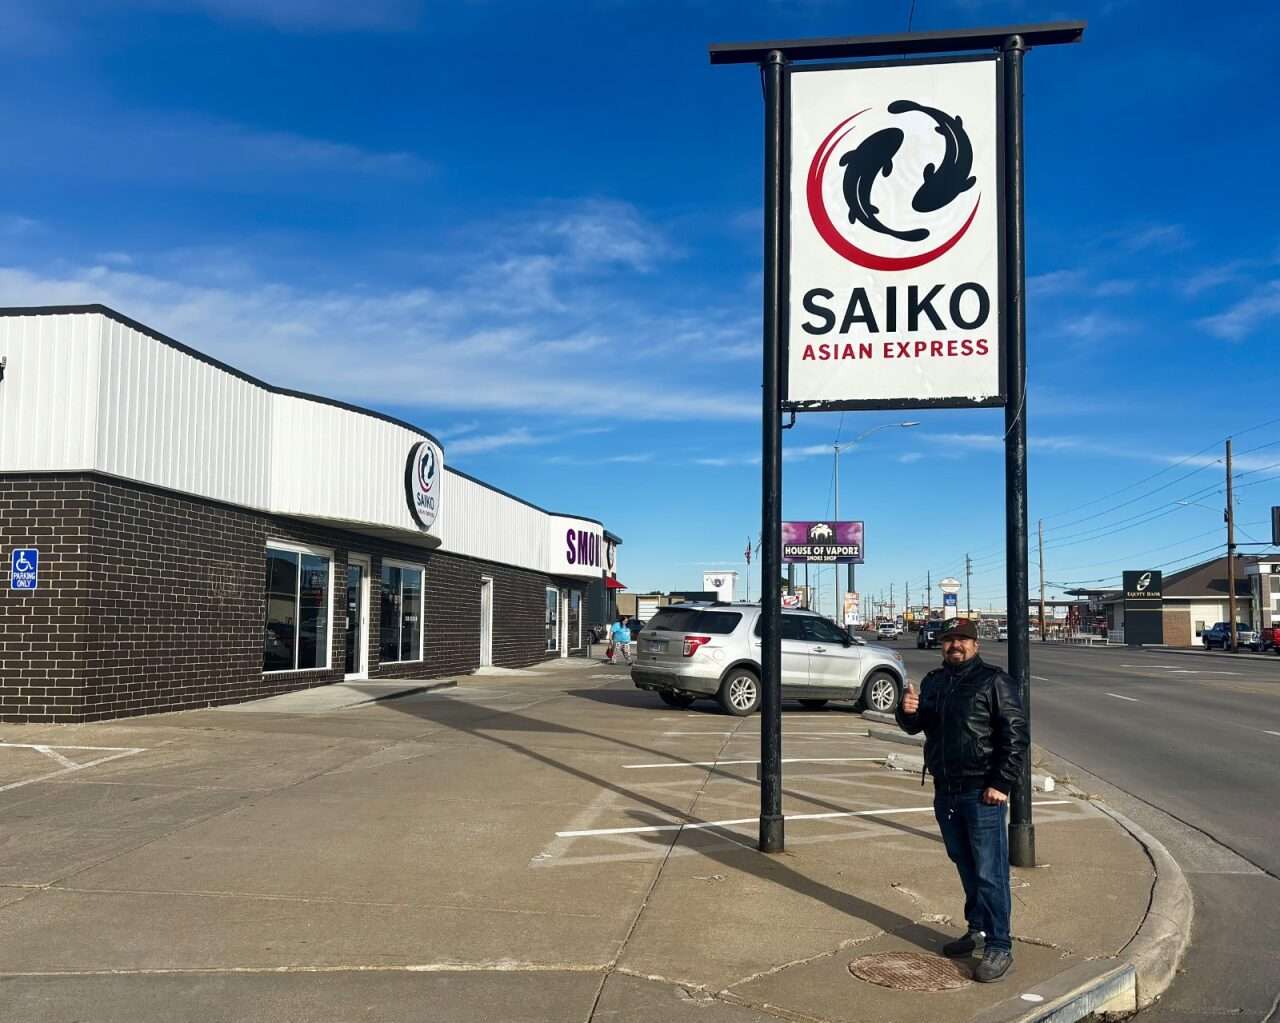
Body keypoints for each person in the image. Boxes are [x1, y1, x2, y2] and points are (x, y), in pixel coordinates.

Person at [895, 617, 1028, 983]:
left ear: (975, 645)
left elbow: (1015, 736)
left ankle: (1000, 945)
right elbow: (920, 724)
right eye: (949, 640)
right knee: (964, 862)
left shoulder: (994, 681)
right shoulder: (936, 681)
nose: (955, 645)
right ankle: (978, 929)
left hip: (982, 791)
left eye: (962, 640)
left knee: (990, 871)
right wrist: (906, 710)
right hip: (946, 789)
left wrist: (1001, 782)